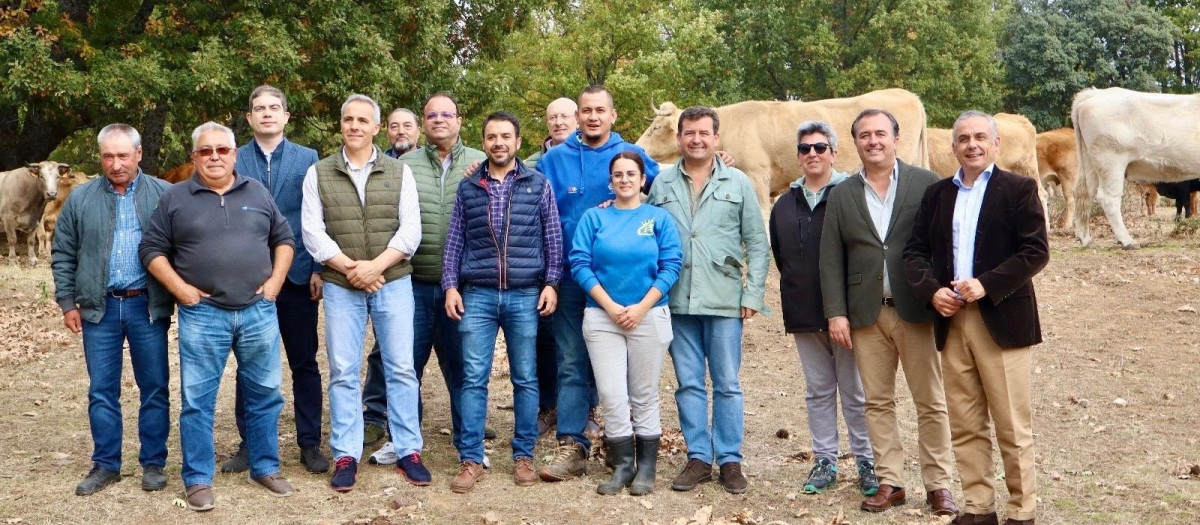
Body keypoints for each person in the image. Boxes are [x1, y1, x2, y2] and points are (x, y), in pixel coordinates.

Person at [140, 121, 296, 511]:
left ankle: (265, 466)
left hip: (258, 311)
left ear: (234, 154)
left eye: (221, 150)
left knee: (266, 395)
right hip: (203, 314)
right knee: (197, 401)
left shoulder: (257, 191)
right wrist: (181, 290)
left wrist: (276, 281)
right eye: (205, 151)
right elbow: (151, 250)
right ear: (193, 157)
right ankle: (196, 479)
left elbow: (285, 239)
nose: (214, 157)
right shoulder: (176, 197)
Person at [904, 111, 1048, 525]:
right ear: (953, 147)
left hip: (1000, 318)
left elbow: (1035, 251)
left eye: (981, 137)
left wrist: (986, 283)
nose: (972, 145)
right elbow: (914, 252)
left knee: (1011, 426)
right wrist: (932, 290)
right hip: (952, 321)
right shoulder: (936, 195)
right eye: (964, 138)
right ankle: (979, 507)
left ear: (996, 143)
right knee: (965, 423)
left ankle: (1022, 511)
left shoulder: (1019, 189)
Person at [819, 109, 960, 517]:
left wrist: (942, 295)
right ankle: (891, 481)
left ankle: (938, 485)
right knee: (876, 403)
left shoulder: (926, 183)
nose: (873, 141)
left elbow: (944, 244)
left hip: (916, 308)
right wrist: (836, 313)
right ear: (855, 143)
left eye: (881, 133)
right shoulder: (842, 193)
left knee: (930, 402)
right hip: (866, 315)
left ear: (897, 138)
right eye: (865, 135)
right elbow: (831, 258)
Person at [301, 94, 427, 491]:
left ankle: (408, 449)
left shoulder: (398, 171)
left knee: (401, 367)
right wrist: (350, 268)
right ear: (341, 125)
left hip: (392, 281)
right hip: (341, 285)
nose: (354, 126)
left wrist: (375, 267)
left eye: (363, 120)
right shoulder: (318, 173)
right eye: (348, 120)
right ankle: (345, 454)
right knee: (342, 370)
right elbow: (312, 232)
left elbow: (410, 230)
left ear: (376, 127)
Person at [535, 85, 661, 481]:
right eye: (586, 110)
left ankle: (618, 442)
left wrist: (718, 160)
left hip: (624, 282)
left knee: (623, 369)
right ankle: (573, 445)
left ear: (613, 115)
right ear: (577, 116)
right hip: (573, 278)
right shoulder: (553, 159)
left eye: (599, 110)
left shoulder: (633, 158)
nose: (592, 117)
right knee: (571, 361)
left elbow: (669, 186)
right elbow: (520, 185)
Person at [648, 106, 769, 495]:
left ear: (717, 138)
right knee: (688, 383)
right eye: (689, 133)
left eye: (704, 133)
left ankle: (730, 459)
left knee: (727, 383)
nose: (696, 139)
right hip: (678, 298)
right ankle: (698, 457)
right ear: (679, 138)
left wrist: (752, 293)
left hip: (724, 299)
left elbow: (757, 242)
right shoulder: (663, 185)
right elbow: (644, 232)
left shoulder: (738, 182)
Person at [363, 94, 487, 466]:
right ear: (424, 122)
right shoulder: (403, 165)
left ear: (459, 119)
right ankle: (404, 441)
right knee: (404, 365)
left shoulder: (479, 162)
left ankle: (470, 447)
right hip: (410, 283)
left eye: (446, 114)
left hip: (461, 286)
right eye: (431, 115)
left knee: (463, 368)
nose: (438, 121)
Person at [442, 111, 562, 493]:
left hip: (526, 293)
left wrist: (552, 284)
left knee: (525, 378)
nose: (498, 143)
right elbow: (455, 240)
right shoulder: (469, 188)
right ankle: (471, 458)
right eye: (491, 137)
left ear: (518, 141)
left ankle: (523, 455)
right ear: (484, 142)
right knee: (473, 379)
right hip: (477, 294)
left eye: (505, 136)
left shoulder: (537, 184)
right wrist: (450, 285)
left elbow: (554, 239)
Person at [52, 123, 173, 496]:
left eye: (123, 155)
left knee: (154, 387)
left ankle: (153, 463)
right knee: (102, 390)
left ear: (139, 154)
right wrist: (67, 301)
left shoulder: (164, 194)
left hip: (146, 307)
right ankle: (106, 464)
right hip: (98, 309)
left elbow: (184, 246)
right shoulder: (81, 198)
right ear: (100, 157)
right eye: (108, 155)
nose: (116, 163)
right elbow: (63, 252)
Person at [221, 85, 327, 475]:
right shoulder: (234, 158)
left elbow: (316, 217)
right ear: (248, 118)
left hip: (298, 275)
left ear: (286, 116)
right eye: (259, 109)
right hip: (247, 279)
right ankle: (250, 444)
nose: (267, 113)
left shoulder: (308, 158)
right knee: (249, 365)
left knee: (304, 362)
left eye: (274, 108)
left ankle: (309, 444)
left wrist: (317, 268)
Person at [769, 120, 879, 497]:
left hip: (848, 314)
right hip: (803, 310)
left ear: (834, 152)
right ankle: (825, 460)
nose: (812, 154)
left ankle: (866, 461)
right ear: (798, 156)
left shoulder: (853, 193)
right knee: (817, 390)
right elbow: (782, 256)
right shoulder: (784, 202)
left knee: (855, 390)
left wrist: (845, 310)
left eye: (820, 147)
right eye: (805, 149)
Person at [571, 151, 682, 495]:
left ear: (641, 178)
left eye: (631, 173)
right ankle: (622, 465)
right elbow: (580, 262)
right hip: (602, 317)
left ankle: (646, 468)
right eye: (617, 175)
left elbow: (671, 265)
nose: (624, 179)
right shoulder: (594, 218)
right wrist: (611, 305)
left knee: (644, 393)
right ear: (610, 181)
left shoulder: (658, 219)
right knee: (611, 393)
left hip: (648, 315)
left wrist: (640, 307)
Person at [526, 96, 579, 436]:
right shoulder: (532, 163)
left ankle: (583, 408)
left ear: (577, 119)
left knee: (580, 343)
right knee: (544, 339)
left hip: (582, 266)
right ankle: (548, 406)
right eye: (552, 117)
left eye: (565, 116)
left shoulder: (592, 157)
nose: (558, 122)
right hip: (539, 265)